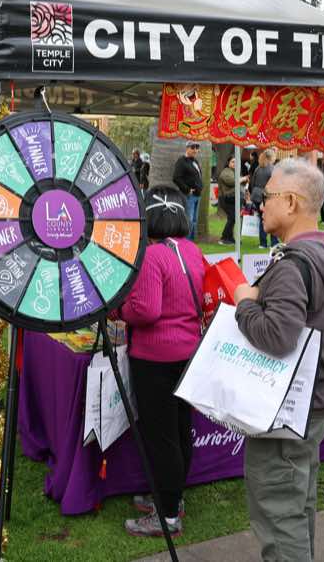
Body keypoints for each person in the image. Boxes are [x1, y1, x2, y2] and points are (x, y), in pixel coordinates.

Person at [232, 158, 324, 561]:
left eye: (266, 196)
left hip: (286, 412)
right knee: (297, 507)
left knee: (281, 516)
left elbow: (278, 337)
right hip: (312, 405)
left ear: (290, 202)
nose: (259, 204)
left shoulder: (291, 266)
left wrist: (245, 304)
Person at [109, 185, 206, 537]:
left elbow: (146, 311)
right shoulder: (192, 250)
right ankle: (172, 498)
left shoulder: (152, 256)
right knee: (179, 430)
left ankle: (166, 514)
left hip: (155, 358)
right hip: (188, 352)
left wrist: (118, 309)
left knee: (161, 436)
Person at [172, 141, 203, 240]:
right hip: (188, 196)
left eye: (197, 147)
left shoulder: (195, 161)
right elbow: (176, 178)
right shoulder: (181, 161)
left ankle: (191, 242)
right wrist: (187, 189)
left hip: (197, 195)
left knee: (194, 220)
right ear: (187, 148)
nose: (195, 150)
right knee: (188, 220)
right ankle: (185, 241)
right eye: (192, 147)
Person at [249, 149, 278, 248]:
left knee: (263, 219)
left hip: (256, 195)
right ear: (271, 157)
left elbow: (252, 183)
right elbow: (274, 185)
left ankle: (263, 243)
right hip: (266, 196)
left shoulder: (258, 168)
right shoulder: (272, 169)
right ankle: (274, 242)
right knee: (272, 219)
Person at [217, 155, 246, 245]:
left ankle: (229, 238)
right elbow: (232, 182)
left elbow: (239, 183)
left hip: (233, 198)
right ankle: (224, 238)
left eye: (236, 162)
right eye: (233, 162)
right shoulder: (226, 172)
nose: (234, 164)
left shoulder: (234, 172)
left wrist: (243, 180)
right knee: (233, 218)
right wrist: (242, 179)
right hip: (227, 199)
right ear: (228, 163)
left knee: (232, 218)